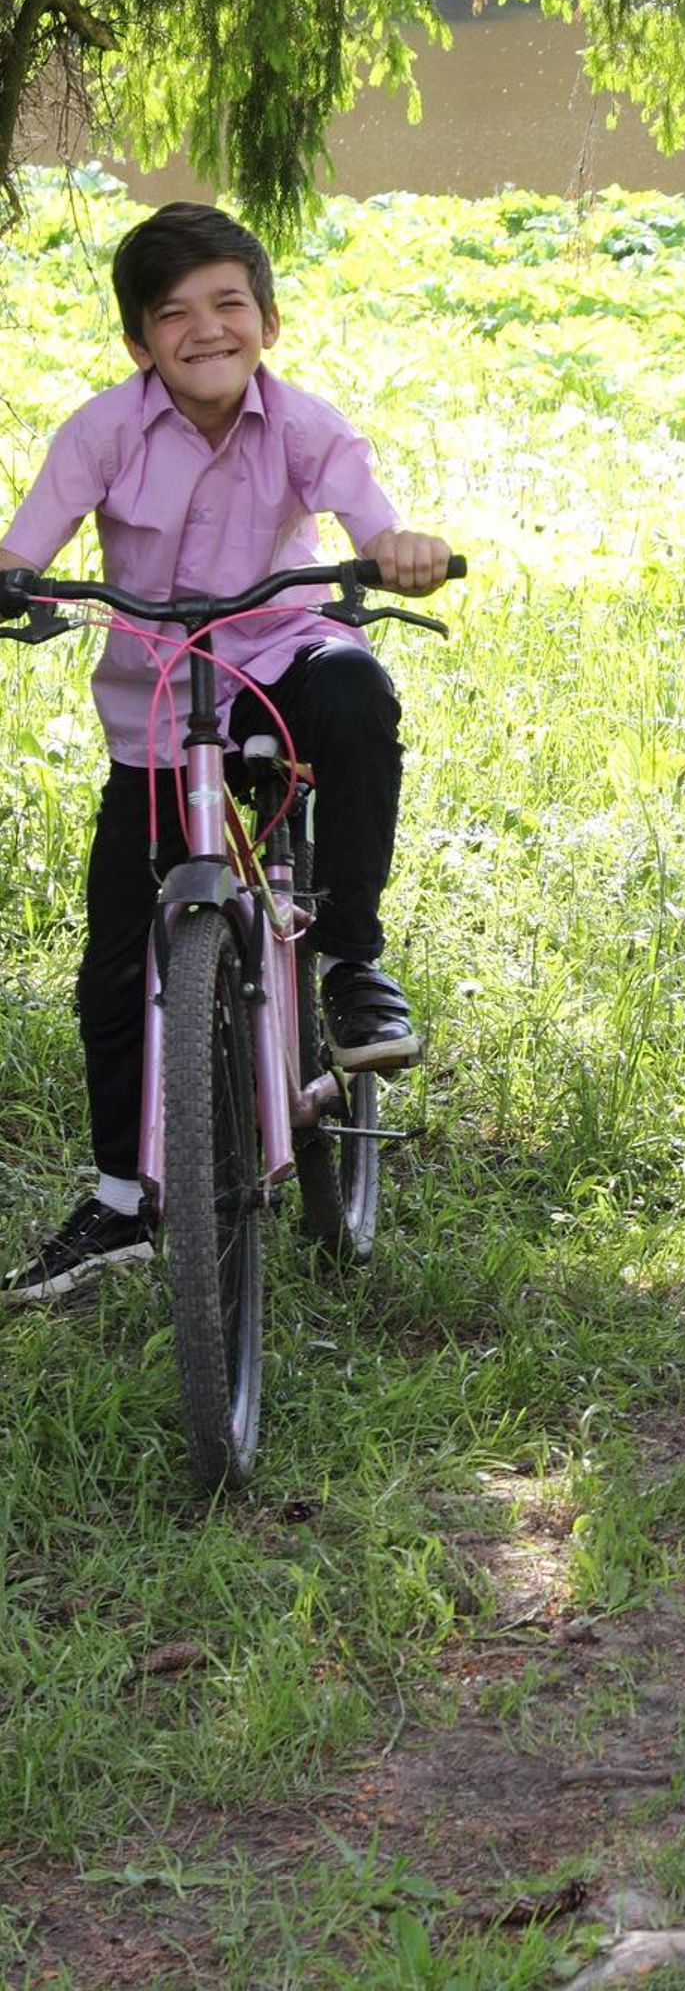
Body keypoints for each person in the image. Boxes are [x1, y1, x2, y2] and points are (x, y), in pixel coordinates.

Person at [0, 201, 452, 1305]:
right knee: (116, 968)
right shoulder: (102, 431)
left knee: (355, 692)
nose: (206, 330)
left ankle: (347, 962)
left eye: (228, 305)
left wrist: (394, 546)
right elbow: (27, 544)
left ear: (268, 319)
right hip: (159, 708)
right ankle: (120, 1203)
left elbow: (367, 512)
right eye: (174, 316)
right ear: (138, 343)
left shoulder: (303, 425)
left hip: (281, 662)